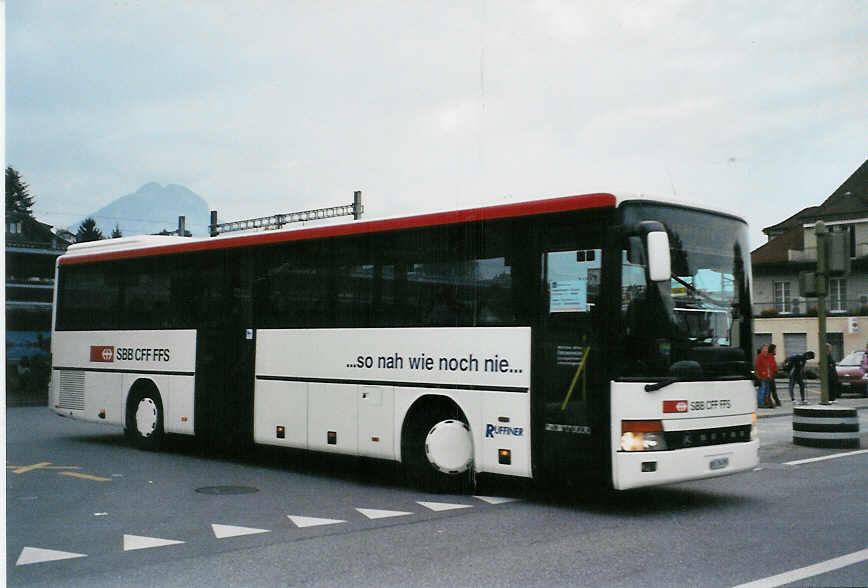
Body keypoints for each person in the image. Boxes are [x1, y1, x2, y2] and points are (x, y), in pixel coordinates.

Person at [754, 344, 776, 408]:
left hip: (768, 377)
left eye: (767, 349)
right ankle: (760, 403)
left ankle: (766, 403)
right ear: (762, 350)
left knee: (767, 391)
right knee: (762, 390)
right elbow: (757, 367)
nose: (766, 350)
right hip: (762, 377)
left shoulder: (769, 356)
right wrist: (759, 375)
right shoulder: (759, 357)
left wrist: (773, 372)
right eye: (764, 349)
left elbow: (772, 365)